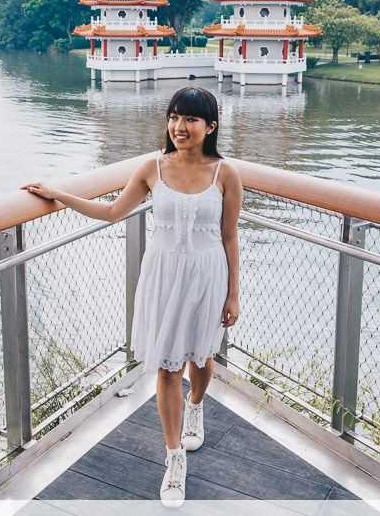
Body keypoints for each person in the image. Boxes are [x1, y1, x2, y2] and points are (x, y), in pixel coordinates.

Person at [21, 86, 242, 507]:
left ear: (210, 127)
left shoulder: (225, 173)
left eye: (191, 119)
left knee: (201, 355)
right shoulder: (151, 167)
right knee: (166, 368)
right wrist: (60, 193)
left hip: (207, 273)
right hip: (162, 274)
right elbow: (111, 211)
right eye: (174, 116)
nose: (180, 126)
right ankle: (174, 458)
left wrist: (233, 294)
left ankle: (196, 406)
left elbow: (230, 236)